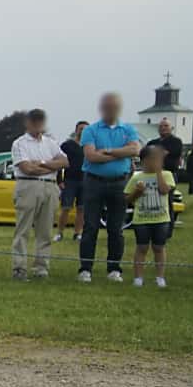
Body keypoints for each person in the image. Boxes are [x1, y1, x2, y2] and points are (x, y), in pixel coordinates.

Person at [76, 92, 142, 284]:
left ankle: (114, 269)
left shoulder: (128, 129)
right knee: (90, 227)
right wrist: (121, 154)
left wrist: (108, 151)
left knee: (116, 228)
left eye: (113, 106)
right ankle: (85, 269)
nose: (110, 109)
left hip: (119, 183)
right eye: (107, 106)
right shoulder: (91, 130)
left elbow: (135, 150)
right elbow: (91, 156)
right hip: (94, 182)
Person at [7, 108, 65, 280]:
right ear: (28, 123)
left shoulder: (51, 143)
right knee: (23, 229)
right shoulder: (20, 143)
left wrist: (41, 163)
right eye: (34, 121)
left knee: (45, 231)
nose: (37, 124)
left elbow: (64, 161)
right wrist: (50, 166)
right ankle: (19, 267)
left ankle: (41, 268)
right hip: (28, 186)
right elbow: (27, 168)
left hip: (50, 187)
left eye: (40, 121)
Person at [125, 143, 175, 288]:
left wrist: (158, 172)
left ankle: (160, 277)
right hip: (141, 219)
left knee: (159, 247)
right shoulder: (137, 177)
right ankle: (138, 277)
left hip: (161, 219)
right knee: (141, 247)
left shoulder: (167, 175)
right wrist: (137, 192)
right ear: (145, 160)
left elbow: (164, 190)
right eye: (154, 159)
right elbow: (127, 199)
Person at [56, 120, 87, 241]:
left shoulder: (90, 146)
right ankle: (59, 233)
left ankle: (77, 233)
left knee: (81, 209)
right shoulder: (67, 145)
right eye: (81, 129)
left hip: (85, 181)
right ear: (76, 130)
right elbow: (59, 162)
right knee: (66, 208)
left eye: (85, 129)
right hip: (69, 181)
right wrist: (60, 180)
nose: (83, 131)